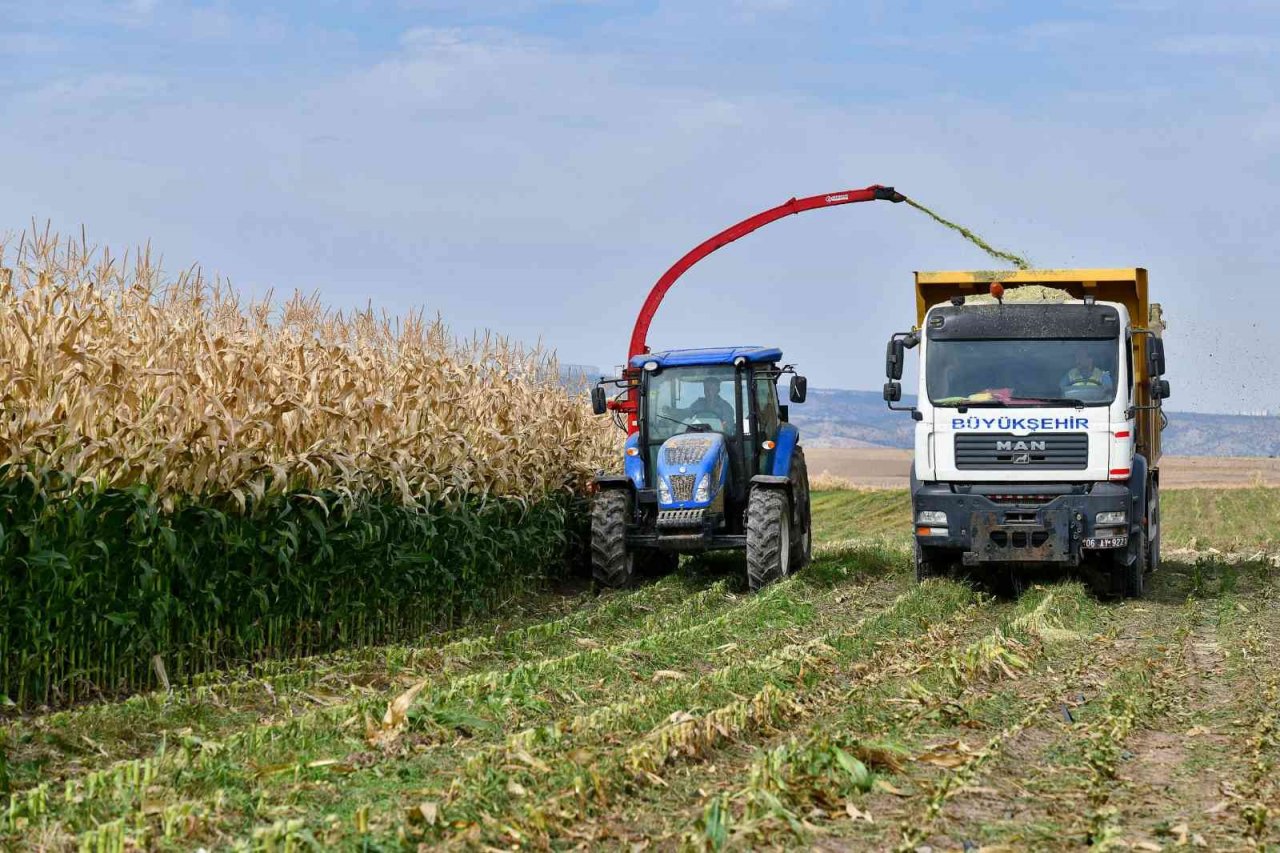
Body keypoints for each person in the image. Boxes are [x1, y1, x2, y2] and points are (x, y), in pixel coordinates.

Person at [667, 377, 735, 426]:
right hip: (698, 436)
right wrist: (673, 411)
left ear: (718, 390)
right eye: (707, 389)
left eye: (712, 389)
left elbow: (728, 427)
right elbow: (687, 413)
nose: (709, 392)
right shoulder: (698, 404)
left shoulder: (726, 407)